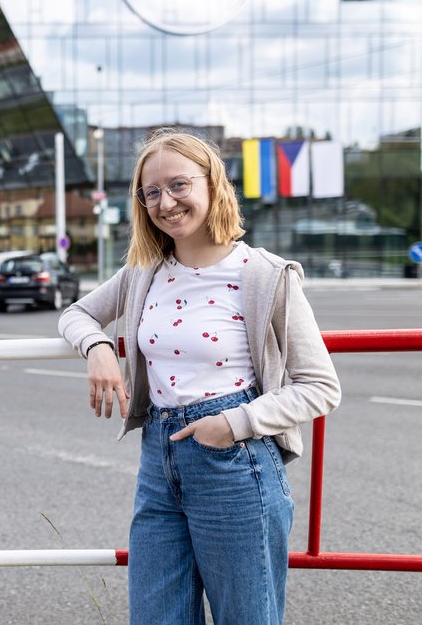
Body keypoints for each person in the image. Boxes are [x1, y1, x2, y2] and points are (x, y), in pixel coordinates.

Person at [58, 129, 340, 624]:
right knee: (156, 616)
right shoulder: (143, 271)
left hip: (235, 461)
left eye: (179, 185)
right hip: (158, 460)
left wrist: (234, 423)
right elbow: (76, 313)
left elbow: (320, 386)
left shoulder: (265, 275)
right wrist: (100, 346)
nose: (165, 202)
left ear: (213, 184)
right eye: (151, 192)